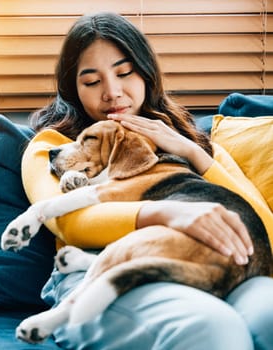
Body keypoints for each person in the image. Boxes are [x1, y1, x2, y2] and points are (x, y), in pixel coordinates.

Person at [21, 12, 273, 350]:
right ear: (73, 89)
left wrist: (193, 153)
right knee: (213, 328)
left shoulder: (196, 146)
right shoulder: (54, 147)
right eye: (92, 82)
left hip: (221, 265)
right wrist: (169, 213)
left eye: (124, 72)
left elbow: (265, 233)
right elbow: (69, 223)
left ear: (147, 73)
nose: (112, 92)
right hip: (98, 269)